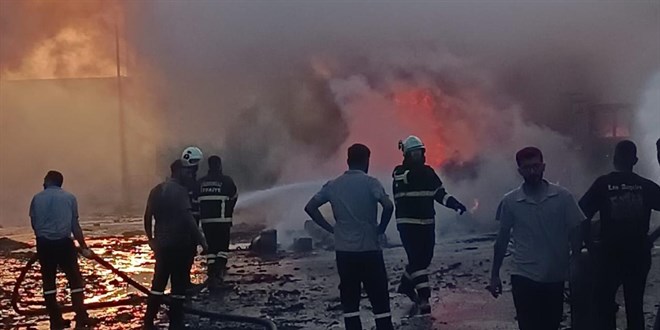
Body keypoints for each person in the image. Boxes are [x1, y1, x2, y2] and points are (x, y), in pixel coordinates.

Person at [489, 147, 584, 330]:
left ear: (543, 166)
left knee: (551, 324)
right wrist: (494, 276)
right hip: (523, 276)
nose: (532, 171)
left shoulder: (562, 197)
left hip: (554, 276)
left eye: (535, 166)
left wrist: (576, 261)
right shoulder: (510, 201)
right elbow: (501, 240)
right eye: (527, 168)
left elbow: (576, 229)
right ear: (520, 171)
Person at [304, 144, 395, 330]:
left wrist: (330, 229)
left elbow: (310, 207)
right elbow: (388, 206)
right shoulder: (372, 182)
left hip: (345, 253)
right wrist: (381, 229)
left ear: (348, 161)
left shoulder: (333, 185)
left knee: (350, 305)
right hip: (370, 250)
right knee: (380, 304)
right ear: (366, 161)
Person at [580, 140, 660, 330]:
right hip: (638, 255)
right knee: (635, 306)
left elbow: (581, 215)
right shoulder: (645, 186)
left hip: (609, 255)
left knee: (603, 305)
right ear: (635, 160)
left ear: (614, 159)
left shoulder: (603, 183)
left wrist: (589, 244)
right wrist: (652, 237)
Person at [392, 135, 467, 314]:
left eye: (420, 153)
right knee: (417, 261)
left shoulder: (428, 173)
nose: (418, 157)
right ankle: (424, 297)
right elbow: (408, 177)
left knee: (424, 259)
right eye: (414, 154)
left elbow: (440, 194)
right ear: (407, 155)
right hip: (408, 225)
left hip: (427, 224)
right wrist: (426, 171)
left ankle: (405, 285)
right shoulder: (399, 172)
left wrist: (455, 204)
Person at [143, 160, 208, 329]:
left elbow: (147, 216)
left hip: (161, 245)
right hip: (180, 245)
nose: (190, 175)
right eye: (187, 172)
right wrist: (202, 241)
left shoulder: (156, 190)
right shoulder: (180, 192)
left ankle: (148, 322)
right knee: (178, 287)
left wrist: (151, 240)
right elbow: (188, 219)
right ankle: (175, 323)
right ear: (178, 171)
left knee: (158, 284)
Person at [29, 170, 96, 330]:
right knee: (75, 280)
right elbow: (75, 226)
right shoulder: (69, 198)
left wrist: (42, 237)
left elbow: (34, 222)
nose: (43, 182)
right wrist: (84, 247)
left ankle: (55, 319)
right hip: (65, 244)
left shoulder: (37, 198)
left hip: (44, 244)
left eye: (44, 179)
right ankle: (80, 316)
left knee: (49, 282)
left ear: (49, 181)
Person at [197, 155, 238, 290]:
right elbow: (234, 197)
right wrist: (229, 211)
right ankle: (218, 274)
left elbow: (196, 201)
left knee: (211, 250)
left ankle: (212, 272)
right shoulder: (226, 181)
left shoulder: (201, 182)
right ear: (219, 165)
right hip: (222, 221)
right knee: (222, 250)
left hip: (206, 223)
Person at [180, 146, 203, 292]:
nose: (195, 169)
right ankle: (183, 284)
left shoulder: (190, 181)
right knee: (186, 253)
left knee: (189, 252)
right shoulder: (185, 183)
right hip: (187, 223)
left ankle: (184, 282)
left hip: (192, 221)